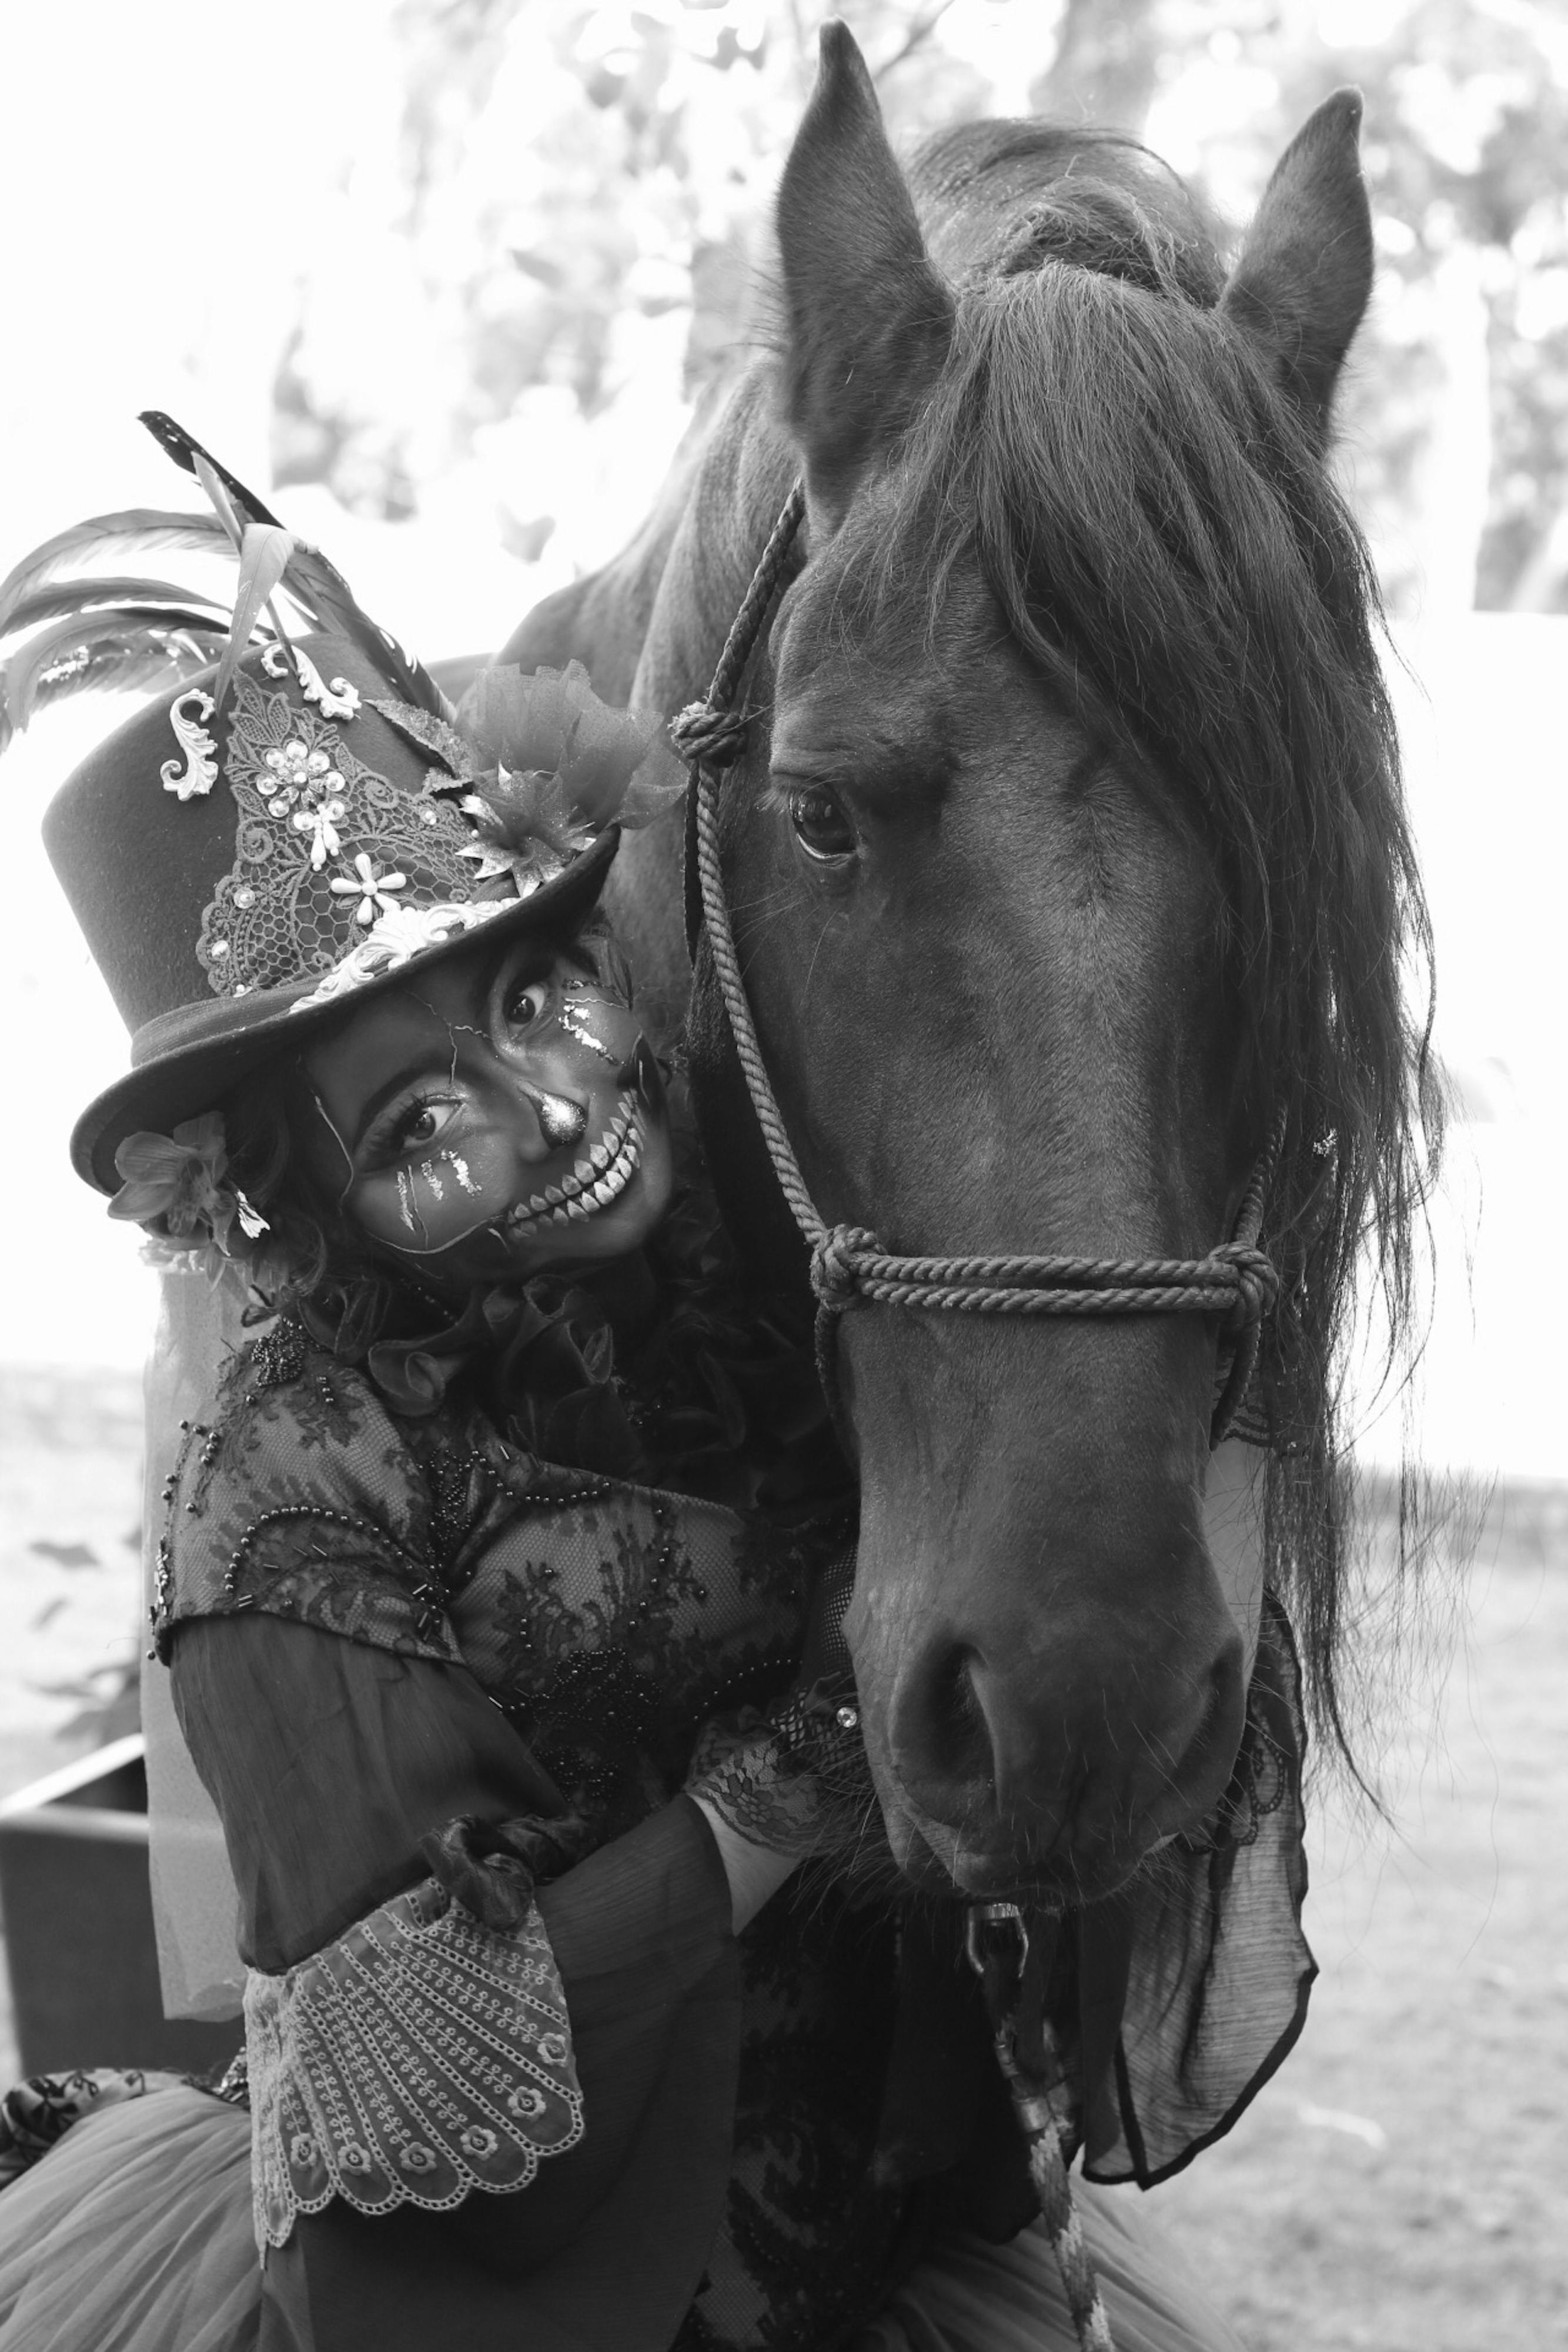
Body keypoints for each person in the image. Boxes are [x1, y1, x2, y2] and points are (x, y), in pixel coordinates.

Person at [0, 432, 1303, 2352]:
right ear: (293, 1197)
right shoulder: (285, 1487)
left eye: (539, 1003)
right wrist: (788, 1791)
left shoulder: (771, 1285)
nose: (555, 1115)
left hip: (890, 2254)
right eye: (425, 1120)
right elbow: (406, 2070)